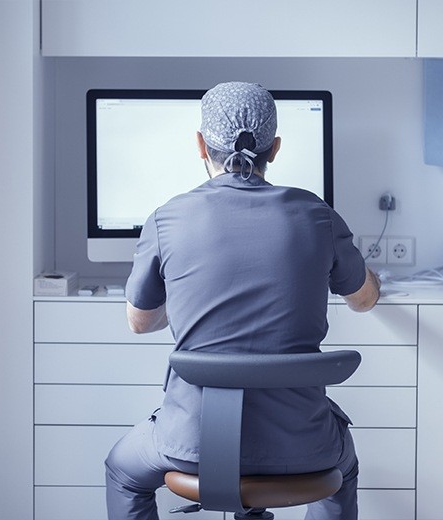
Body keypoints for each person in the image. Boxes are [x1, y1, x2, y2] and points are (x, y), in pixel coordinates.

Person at [105, 81, 381, 520]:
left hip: (192, 444)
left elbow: (140, 322)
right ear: (275, 148)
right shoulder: (318, 215)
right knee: (341, 470)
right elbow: (364, 300)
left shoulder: (167, 218)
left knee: (122, 470)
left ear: (200, 145)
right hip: (303, 444)